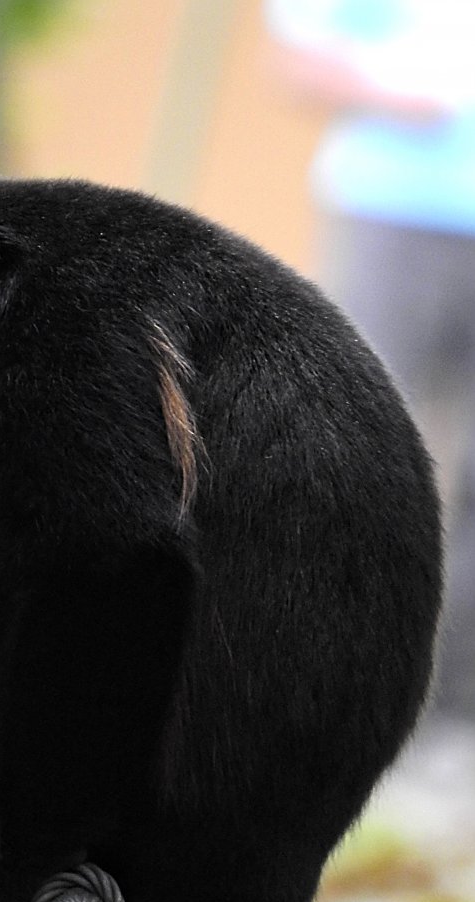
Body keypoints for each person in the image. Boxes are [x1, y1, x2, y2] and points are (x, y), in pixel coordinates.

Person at [266, 0, 475, 720]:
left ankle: (447, 723)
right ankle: (322, 699)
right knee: (362, 459)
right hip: (396, 213)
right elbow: (297, 60)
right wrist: (401, 93)